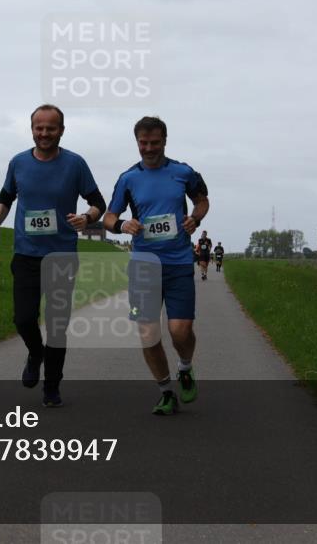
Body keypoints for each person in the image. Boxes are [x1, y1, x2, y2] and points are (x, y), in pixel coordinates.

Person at [0, 104, 105, 407]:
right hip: (26, 254)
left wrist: (87, 218)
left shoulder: (75, 164)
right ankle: (35, 353)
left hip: (62, 256)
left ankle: (52, 386)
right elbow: (5, 197)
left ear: (61, 130)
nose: (44, 133)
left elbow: (97, 201)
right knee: (23, 319)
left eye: (50, 128)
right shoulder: (18, 163)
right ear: (32, 130)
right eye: (39, 128)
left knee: (57, 325)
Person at [104, 116, 209, 415]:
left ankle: (185, 367)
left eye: (155, 142)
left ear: (165, 141)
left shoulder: (183, 172)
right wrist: (122, 224)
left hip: (177, 263)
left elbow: (202, 200)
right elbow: (110, 216)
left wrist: (196, 218)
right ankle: (165, 392)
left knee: (179, 331)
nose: (149, 148)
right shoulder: (128, 178)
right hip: (143, 266)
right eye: (143, 143)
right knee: (148, 333)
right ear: (137, 142)